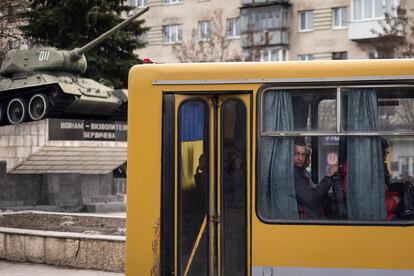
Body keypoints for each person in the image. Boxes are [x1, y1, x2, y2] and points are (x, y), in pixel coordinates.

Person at [294, 142, 338, 219]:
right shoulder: (294, 172)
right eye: (296, 154)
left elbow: (312, 190)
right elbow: (310, 198)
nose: (300, 158)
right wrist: (328, 177)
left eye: (303, 154)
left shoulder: (302, 171)